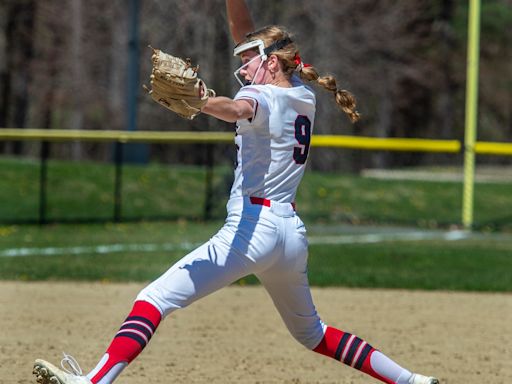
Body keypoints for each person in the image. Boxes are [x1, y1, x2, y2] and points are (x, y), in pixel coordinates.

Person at [33, 2, 439, 384]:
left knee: (153, 298)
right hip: (290, 235)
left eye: (248, 60)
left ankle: (94, 380)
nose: (242, 68)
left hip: (251, 230)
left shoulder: (259, 95)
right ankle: (410, 380)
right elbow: (245, 35)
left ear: (273, 61)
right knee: (312, 334)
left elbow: (235, 109)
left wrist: (203, 100)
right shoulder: (303, 95)